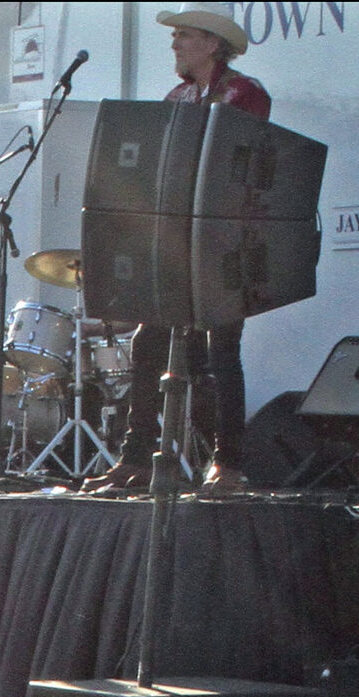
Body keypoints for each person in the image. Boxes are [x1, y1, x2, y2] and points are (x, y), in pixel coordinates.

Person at [102, 10, 271, 492]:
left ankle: (229, 464)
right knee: (148, 342)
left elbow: (231, 159)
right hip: (176, 238)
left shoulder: (244, 92)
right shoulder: (177, 96)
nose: (174, 43)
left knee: (222, 352)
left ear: (214, 45)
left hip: (222, 239)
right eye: (174, 35)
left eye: (185, 36)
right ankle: (137, 457)